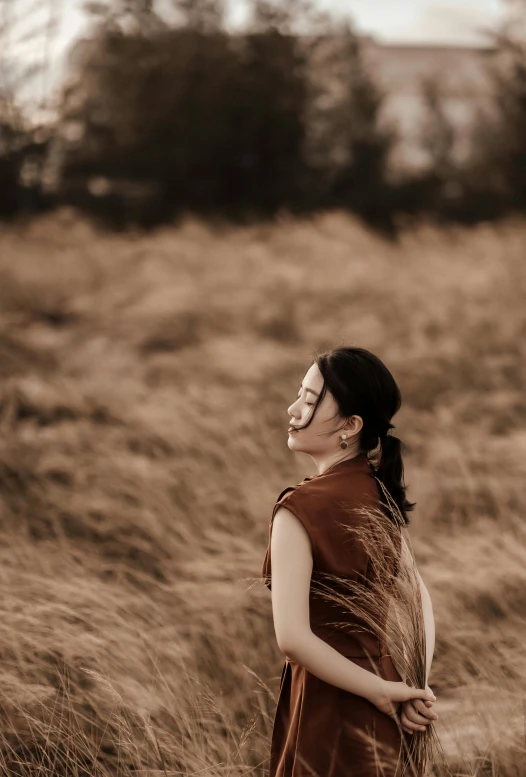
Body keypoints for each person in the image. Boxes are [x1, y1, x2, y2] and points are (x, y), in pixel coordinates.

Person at [261, 346, 438, 777]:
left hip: (328, 700)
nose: (293, 407)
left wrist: (382, 691)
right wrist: (414, 686)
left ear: (350, 426)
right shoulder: (379, 493)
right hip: (387, 692)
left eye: (308, 399)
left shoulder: (298, 508)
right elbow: (420, 600)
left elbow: (293, 639)